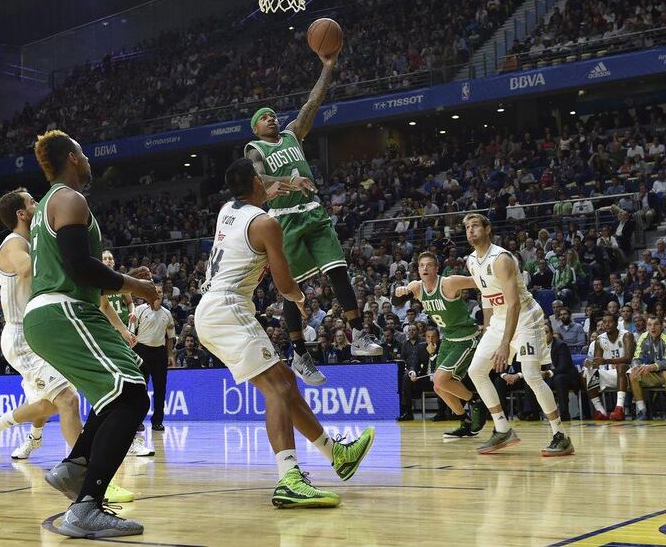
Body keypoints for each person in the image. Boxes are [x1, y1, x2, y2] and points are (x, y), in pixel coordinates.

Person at [195, 158, 374, 508]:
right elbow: (284, 283)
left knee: (286, 383)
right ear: (255, 184)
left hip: (211, 309)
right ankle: (289, 478)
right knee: (278, 387)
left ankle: (337, 454)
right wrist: (299, 297)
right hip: (228, 306)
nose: (267, 184)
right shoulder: (266, 223)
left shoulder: (227, 209)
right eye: (262, 179)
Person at [22, 130, 158, 538]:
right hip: (63, 309)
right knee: (132, 394)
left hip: (57, 312)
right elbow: (80, 268)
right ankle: (86, 505)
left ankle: (74, 466)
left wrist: (125, 282)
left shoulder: (55, 202)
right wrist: (136, 286)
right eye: (82, 152)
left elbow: (81, 270)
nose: (87, 158)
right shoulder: (68, 198)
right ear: (72, 158)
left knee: (116, 391)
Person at [244, 44, 382, 387]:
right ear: (255, 129)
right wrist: (289, 179)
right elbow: (257, 179)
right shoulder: (255, 150)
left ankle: (359, 334)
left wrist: (327, 67)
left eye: (273, 114)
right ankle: (298, 353)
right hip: (284, 220)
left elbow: (313, 103)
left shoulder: (292, 133)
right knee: (295, 291)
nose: (272, 117)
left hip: (314, 213)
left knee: (339, 274)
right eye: (264, 116)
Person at [0, 188, 97, 477]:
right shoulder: (14, 243)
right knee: (68, 400)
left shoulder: (28, 241)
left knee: (49, 405)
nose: (38, 204)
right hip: (22, 336)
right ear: (21, 214)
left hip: (37, 333)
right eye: (32, 202)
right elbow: (26, 268)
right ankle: (86, 477)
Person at [464, 213, 574, 456]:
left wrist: (504, 345)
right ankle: (503, 428)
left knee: (532, 375)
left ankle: (561, 434)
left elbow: (513, 304)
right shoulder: (471, 260)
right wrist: (487, 329)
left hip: (525, 317)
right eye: (467, 227)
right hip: (499, 320)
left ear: (488, 229)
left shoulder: (501, 258)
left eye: (475, 226)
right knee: (476, 371)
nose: (470, 231)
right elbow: (486, 296)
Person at [393, 252, 487, 439]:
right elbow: (396, 302)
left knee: (440, 380)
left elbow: (481, 282)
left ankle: (476, 402)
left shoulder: (449, 283)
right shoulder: (416, 287)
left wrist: (490, 315)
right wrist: (399, 292)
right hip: (448, 339)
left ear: (437, 268)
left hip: (466, 336)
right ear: (418, 269)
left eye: (429, 265)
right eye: (421, 265)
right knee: (439, 387)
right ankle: (465, 421)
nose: (425, 268)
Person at [99, 250, 152, 457]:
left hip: (116, 334)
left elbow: (120, 301)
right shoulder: (94, 278)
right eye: (105, 258)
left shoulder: (116, 281)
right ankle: (124, 436)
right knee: (124, 384)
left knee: (136, 374)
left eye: (111, 258)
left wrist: (125, 328)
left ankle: (127, 434)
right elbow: (102, 304)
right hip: (101, 334)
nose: (109, 260)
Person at [132, 285, 176, 431]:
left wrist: (170, 354)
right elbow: (131, 333)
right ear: (148, 294)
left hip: (159, 353)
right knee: (139, 389)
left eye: (159, 292)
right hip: (141, 351)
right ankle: (137, 420)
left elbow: (170, 337)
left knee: (160, 388)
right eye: (154, 292)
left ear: (163, 295)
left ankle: (157, 421)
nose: (157, 294)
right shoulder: (139, 310)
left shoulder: (167, 314)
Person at [583, 313, 633, 421]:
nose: (607, 324)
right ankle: (600, 410)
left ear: (616, 323)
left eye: (610, 322)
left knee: (621, 366)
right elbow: (597, 362)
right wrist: (590, 364)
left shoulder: (626, 335)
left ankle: (619, 408)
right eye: (605, 322)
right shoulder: (599, 339)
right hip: (609, 373)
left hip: (627, 374)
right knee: (586, 373)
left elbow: (628, 358)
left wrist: (606, 361)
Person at [629, 316, 666, 420]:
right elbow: (636, 357)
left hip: (662, 372)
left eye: (656, 324)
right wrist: (637, 366)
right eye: (650, 325)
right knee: (634, 374)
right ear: (646, 327)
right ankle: (642, 411)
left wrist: (652, 366)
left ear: (662, 326)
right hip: (655, 372)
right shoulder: (643, 337)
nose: (653, 327)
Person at [545, 322, 581, 422]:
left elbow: (563, 367)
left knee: (559, 379)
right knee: (533, 379)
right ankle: (532, 413)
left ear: (552, 333)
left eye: (546, 332)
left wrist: (547, 373)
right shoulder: (539, 347)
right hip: (549, 376)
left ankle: (564, 413)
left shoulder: (560, 345)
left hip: (567, 377)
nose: (544, 335)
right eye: (541, 333)